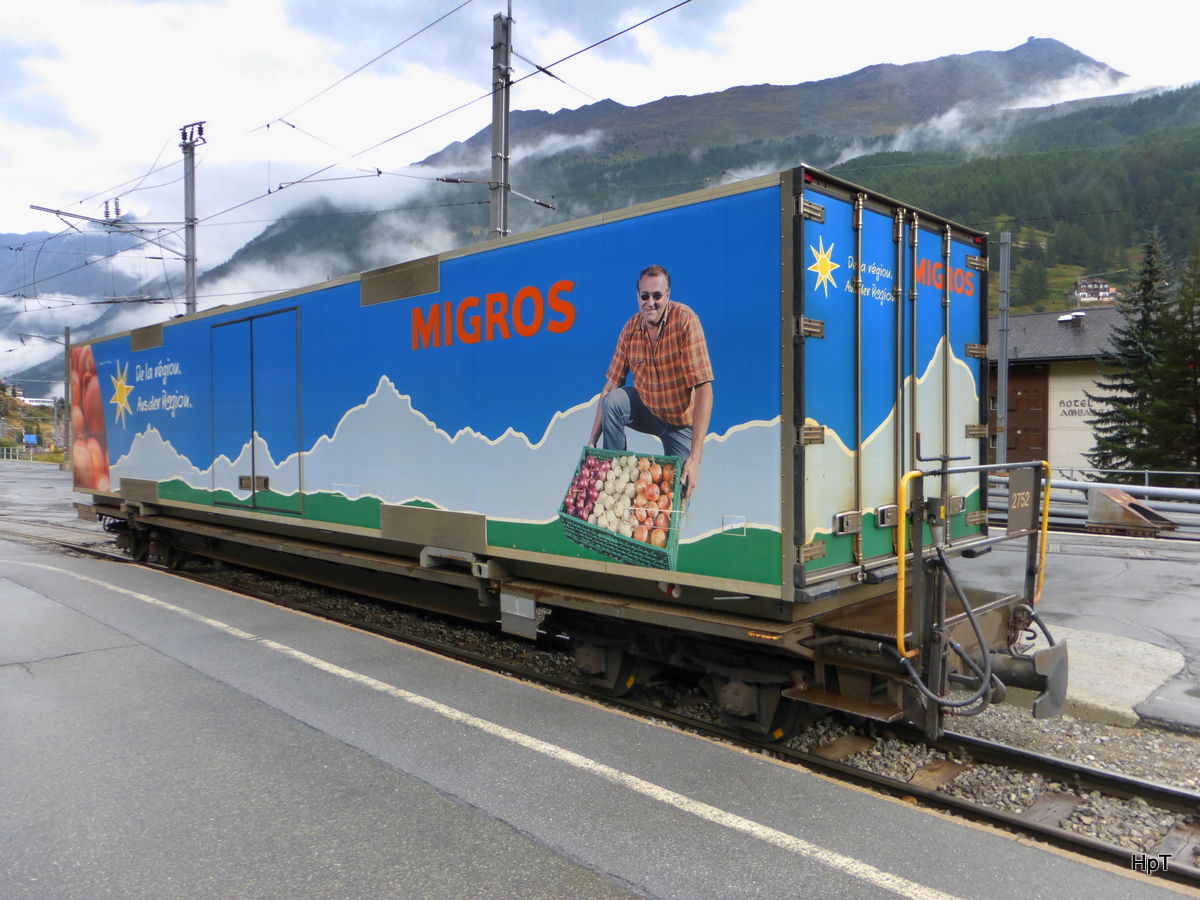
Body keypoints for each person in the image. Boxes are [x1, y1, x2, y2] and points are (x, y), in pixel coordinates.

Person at [588, 265, 713, 500]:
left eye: (657, 296)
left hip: (680, 422)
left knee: (677, 497)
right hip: (648, 409)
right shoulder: (630, 330)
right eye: (645, 296)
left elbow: (704, 388)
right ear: (638, 297)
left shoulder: (685, 321)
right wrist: (592, 442)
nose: (650, 302)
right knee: (612, 401)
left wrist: (695, 459)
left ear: (668, 295)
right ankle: (615, 474)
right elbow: (610, 387)